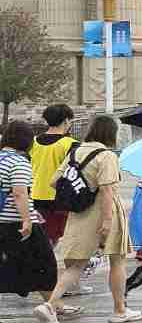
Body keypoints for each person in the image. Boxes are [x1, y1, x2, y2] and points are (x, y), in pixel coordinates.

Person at [45, 114, 135, 323]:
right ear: (111, 134)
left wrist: (82, 191)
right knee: (117, 260)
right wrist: (106, 221)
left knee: (75, 265)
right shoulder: (107, 156)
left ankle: (49, 305)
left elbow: (54, 181)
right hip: (106, 213)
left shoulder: (75, 151)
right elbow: (106, 191)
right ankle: (120, 310)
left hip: (79, 214)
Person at [0, 120, 59, 319]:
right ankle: (51, 307)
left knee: (11, 265)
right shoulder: (19, 162)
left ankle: (54, 305)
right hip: (17, 225)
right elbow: (19, 193)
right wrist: (27, 220)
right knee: (46, 264)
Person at [29, 104, 75, 245]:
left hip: (34, 195)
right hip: (58, 198)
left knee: (38, 237)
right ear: (66, 120)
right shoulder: (71, 144)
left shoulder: (33, 142)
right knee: (53, 238)